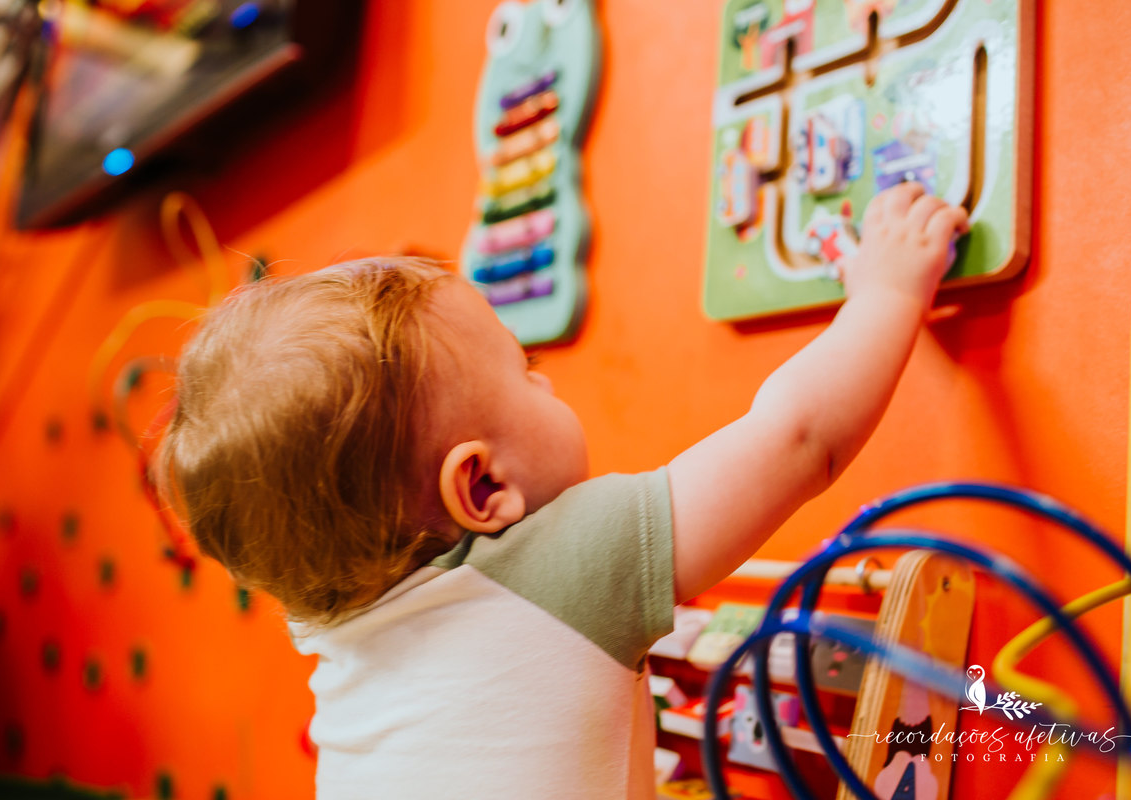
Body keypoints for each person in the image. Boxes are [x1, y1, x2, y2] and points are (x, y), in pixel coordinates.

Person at [155, 182, 968, 798]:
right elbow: (799, 440)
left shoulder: (330, 621)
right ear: (483, 486)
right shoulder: (554, 571)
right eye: (527, 371)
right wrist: (888, 292)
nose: (547, 384)